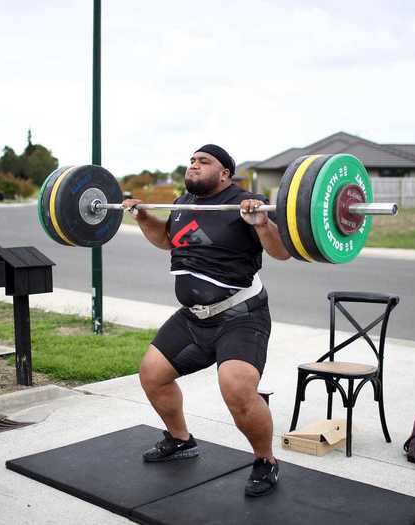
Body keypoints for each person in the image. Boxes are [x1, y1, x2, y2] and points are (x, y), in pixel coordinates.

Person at [123, 144, 290, 497]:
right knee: (152, 375)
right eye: (192, 161)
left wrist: (261, 223)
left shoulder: (245, 202)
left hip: (241, 316)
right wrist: (143, 219)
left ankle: (266, 461)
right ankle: (181, 440)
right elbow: (169, 240)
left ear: (225, 172)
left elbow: (281, 252)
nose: (194, 166)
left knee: (237, 389)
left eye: (204, 161)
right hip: (194, 318)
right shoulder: (184, 203)